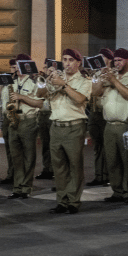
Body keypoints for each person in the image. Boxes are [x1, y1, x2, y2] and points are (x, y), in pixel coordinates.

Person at [41, 49, 92, 214]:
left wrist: (63, 85)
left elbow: (79, 99)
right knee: (59, 167)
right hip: (56, 126)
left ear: (78, 62)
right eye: (65, 60)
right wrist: (47, 80)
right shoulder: (57, 77)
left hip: (74, 127)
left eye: (71, 60)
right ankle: (61, 201)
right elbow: (39, 94)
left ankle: (73, 201)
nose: (67, 63)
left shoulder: (84, 81)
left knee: (75, 165)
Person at [94, 48, 128, 204]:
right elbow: (96, 93)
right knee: (112, 160)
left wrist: (114, 81)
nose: (117, 63)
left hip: (127, 124)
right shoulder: (110, 77)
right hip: (109, 125)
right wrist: (102, 78)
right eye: (115, 61)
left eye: (120, 60)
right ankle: (117, 191)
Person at [2, 53, 43, 199]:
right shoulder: (11, 82)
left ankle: (26, 187)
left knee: (28, 156)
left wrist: (22, 97)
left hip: (28, 121)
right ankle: (17, 187)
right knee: (16, 156)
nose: (17, 69)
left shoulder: (34, 82)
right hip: (14, 120)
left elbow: (40, 103)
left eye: (21, 65)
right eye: (16, 65)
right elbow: (5, 102)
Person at [86, 48, 114, 187]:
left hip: (105, 112)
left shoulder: (112, 73)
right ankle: (98, 175)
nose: (101, 59)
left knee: (107, 146)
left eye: (103, 57)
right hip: (94, 111)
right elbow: (92, 92)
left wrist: (104, 76)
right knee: (97, 146)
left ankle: (108, 175)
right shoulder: (95, 74)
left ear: (109, 59)